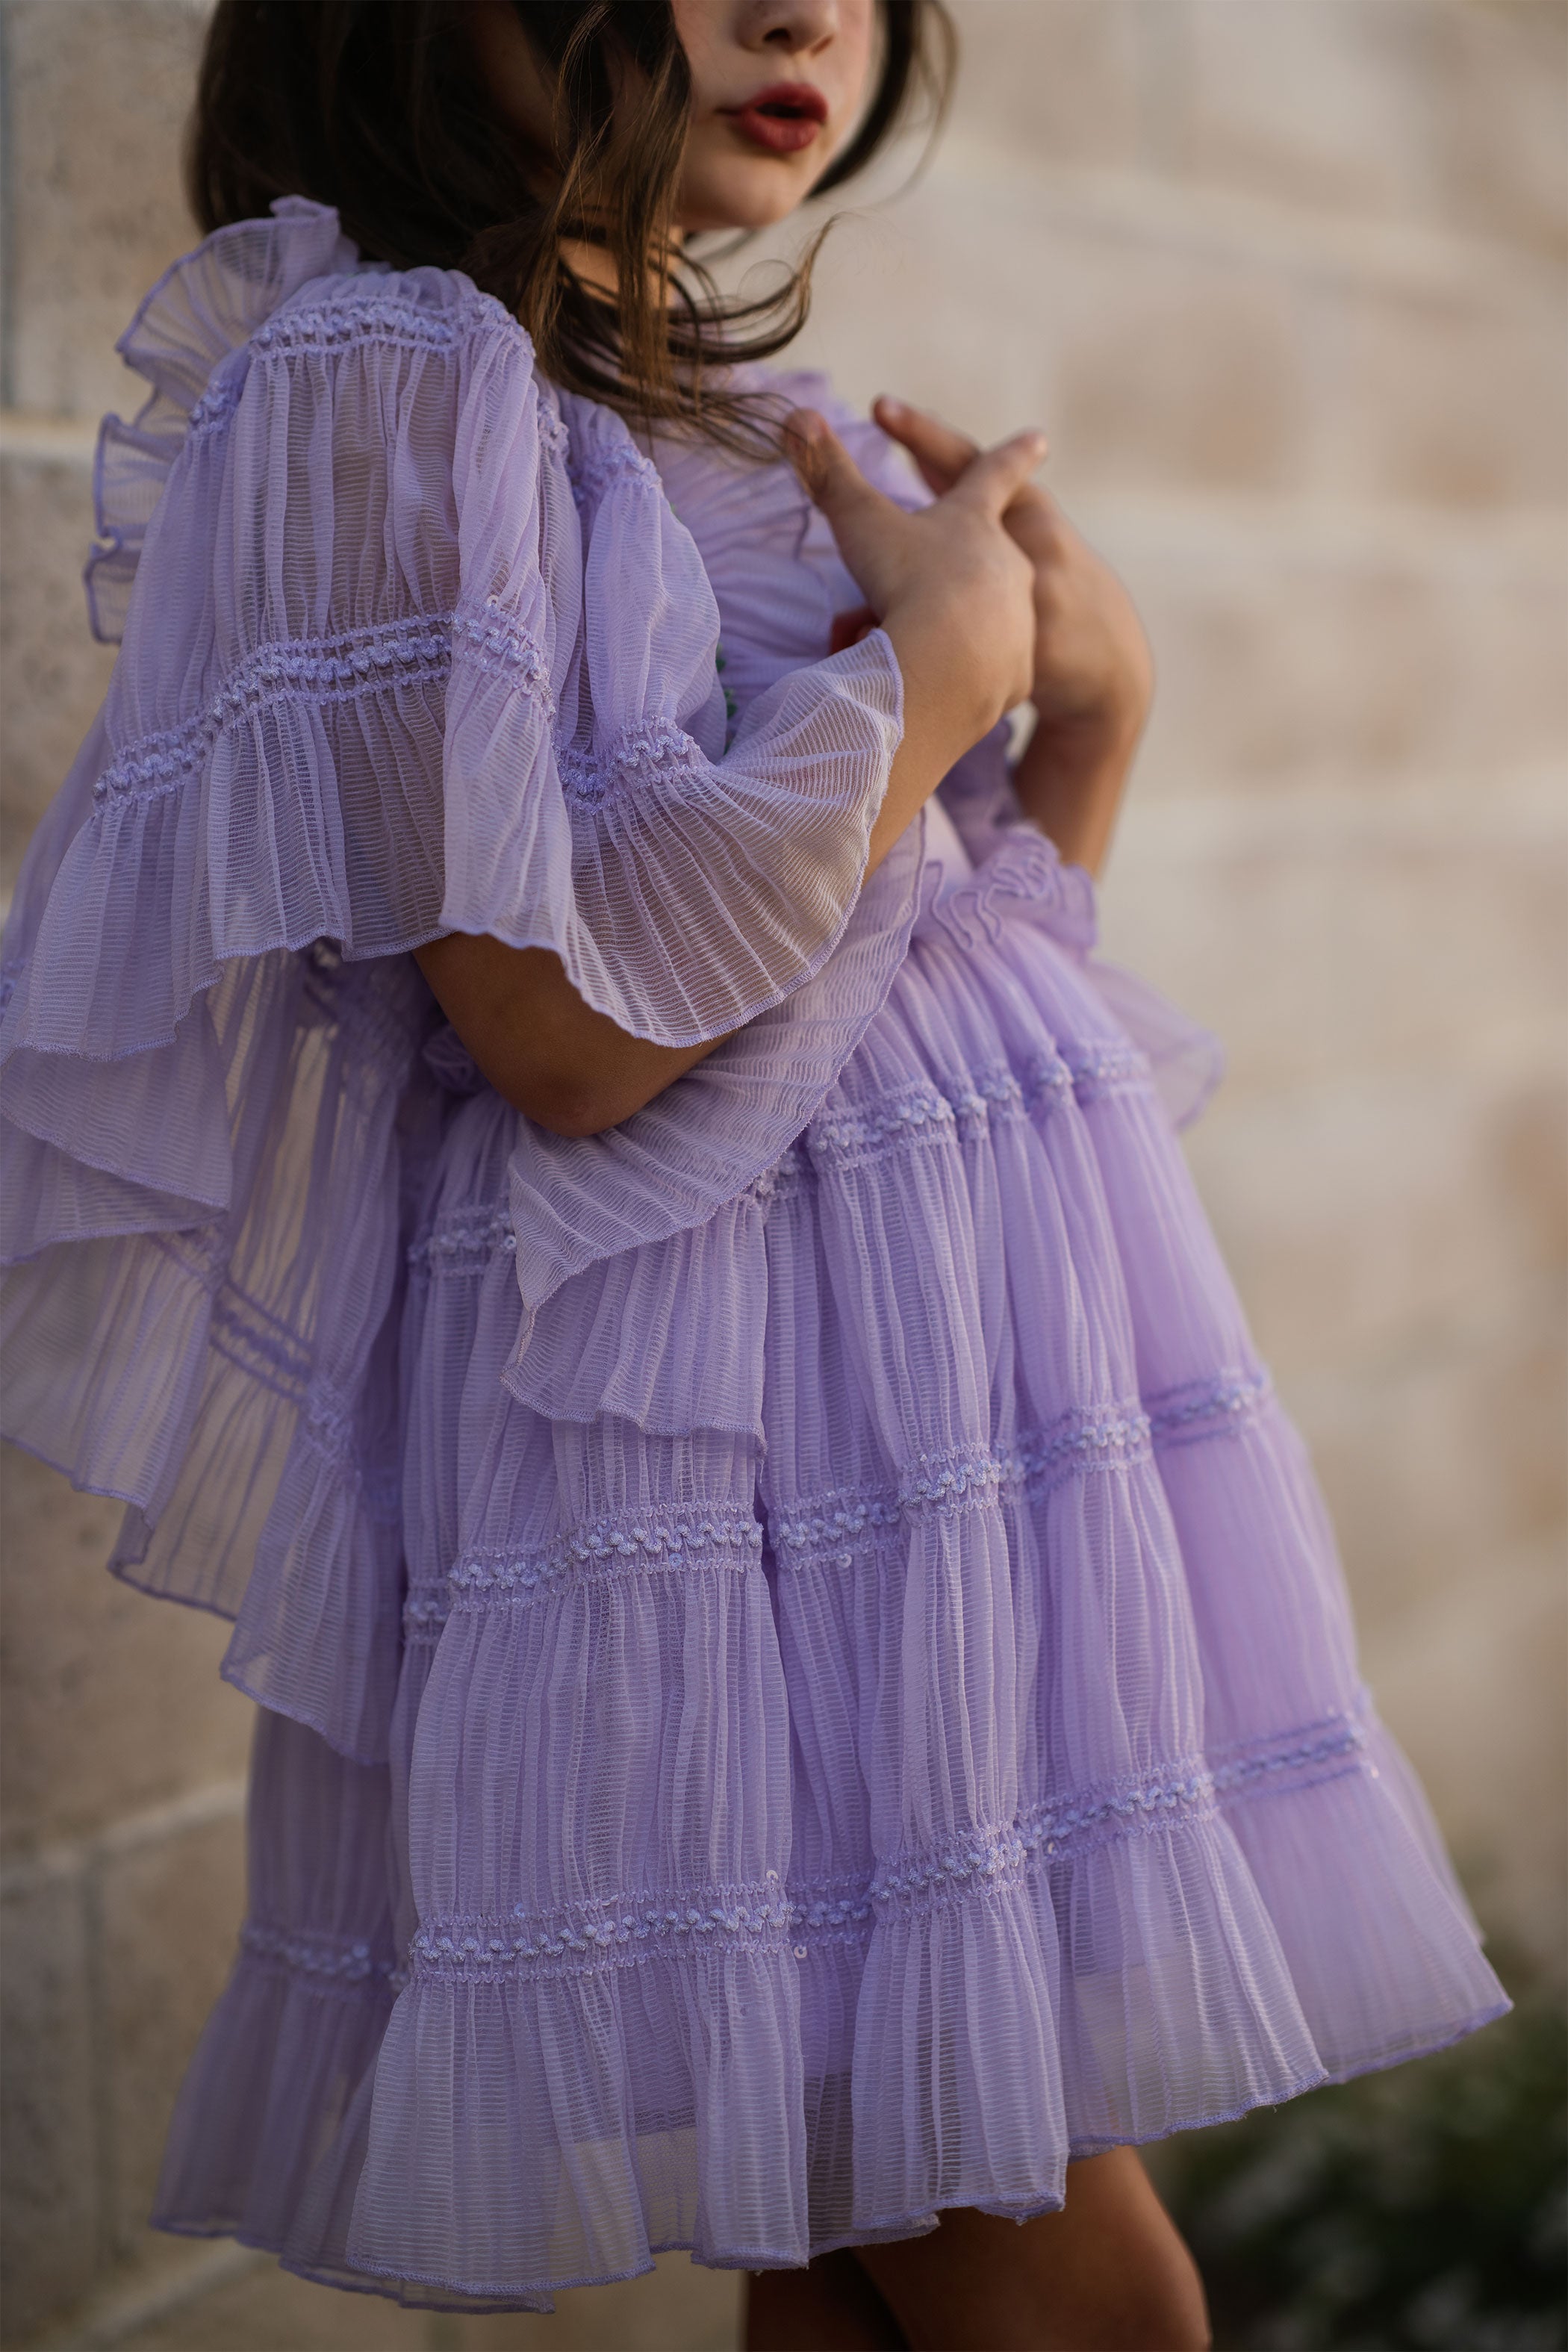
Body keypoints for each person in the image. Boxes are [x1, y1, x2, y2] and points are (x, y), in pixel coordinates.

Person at [0, 3, 1508, 2346]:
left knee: (868, 2268)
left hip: (930, 1447)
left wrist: (1077, 718)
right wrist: (926, 672)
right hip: (729, 1465)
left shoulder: (757, 426)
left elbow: (943, 982)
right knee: (1086, 2303)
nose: (802, 12)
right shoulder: (397, 378)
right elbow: (566, 1040)